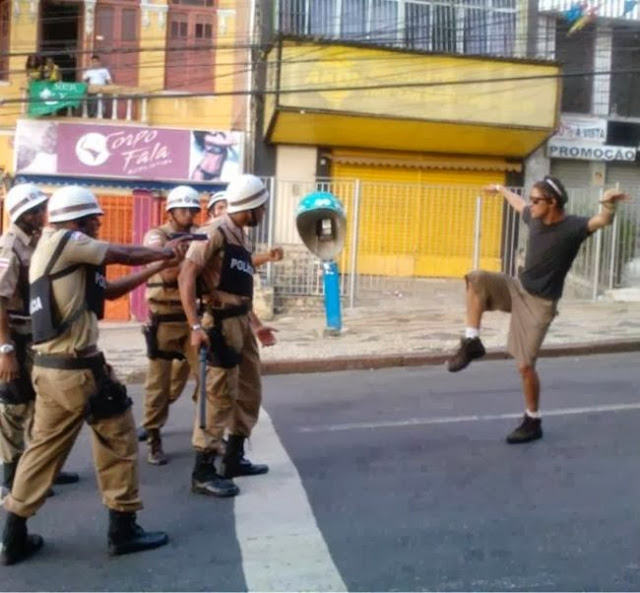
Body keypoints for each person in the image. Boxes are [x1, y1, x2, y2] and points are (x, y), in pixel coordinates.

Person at [1, 185, 188, 566]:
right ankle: (123, 530)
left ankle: (13, 535)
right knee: (119, 441)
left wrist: (157, 266)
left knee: (40, 452)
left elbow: (111, 292)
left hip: (52, 370)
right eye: (95, 221)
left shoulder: (56, 250)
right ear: (79, 220)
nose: (98, 228)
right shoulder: (67, 239)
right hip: (79, 370)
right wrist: (167, 251)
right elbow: (123, 253)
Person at [446, 177, 629, 444]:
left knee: (525, 366)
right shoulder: (533, 217)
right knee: (475, 278)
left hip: (539, 304)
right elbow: (518, 203)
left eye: (536, 200)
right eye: (531, 200)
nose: (530, 205)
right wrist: (500, 189)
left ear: (552, 202)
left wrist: (609, 206)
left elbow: (601, 221)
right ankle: (471, 342)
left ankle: (533, 420)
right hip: (517, 288)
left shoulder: (573, 227)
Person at [179, 174, 277, 498]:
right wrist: (195, 326)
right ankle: (203, 470)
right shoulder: (214, 231)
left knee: (250, 391)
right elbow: (187, 275)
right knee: (218, 396)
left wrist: (256, 325)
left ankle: (234, 458)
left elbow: (239, 289)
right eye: (261, 207)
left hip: (241, 323)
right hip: (218, 324)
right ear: (250, 206)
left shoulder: (240, 237)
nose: (263, 212)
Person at [0, 184, 80, 503]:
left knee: (42, 402)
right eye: (35, 211)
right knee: (13, 406)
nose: (41, 215)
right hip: (17, 336)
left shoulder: (38, 242)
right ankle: (10, 475)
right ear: (22, 215)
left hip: (39, 335)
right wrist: (5, 350)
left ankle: (42, 468)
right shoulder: (8, 248)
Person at [139, 185, 202, 465]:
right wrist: (193, 265)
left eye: (193, 209)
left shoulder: (198, 236)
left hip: (191, 320)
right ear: (171, 211)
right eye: (183, 209)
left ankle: (206, 434)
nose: (189, 214)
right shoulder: (157, 236)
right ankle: (153, 437)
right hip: (163, 320)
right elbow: (165, 273)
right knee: (158, 385)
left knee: (208, 378)